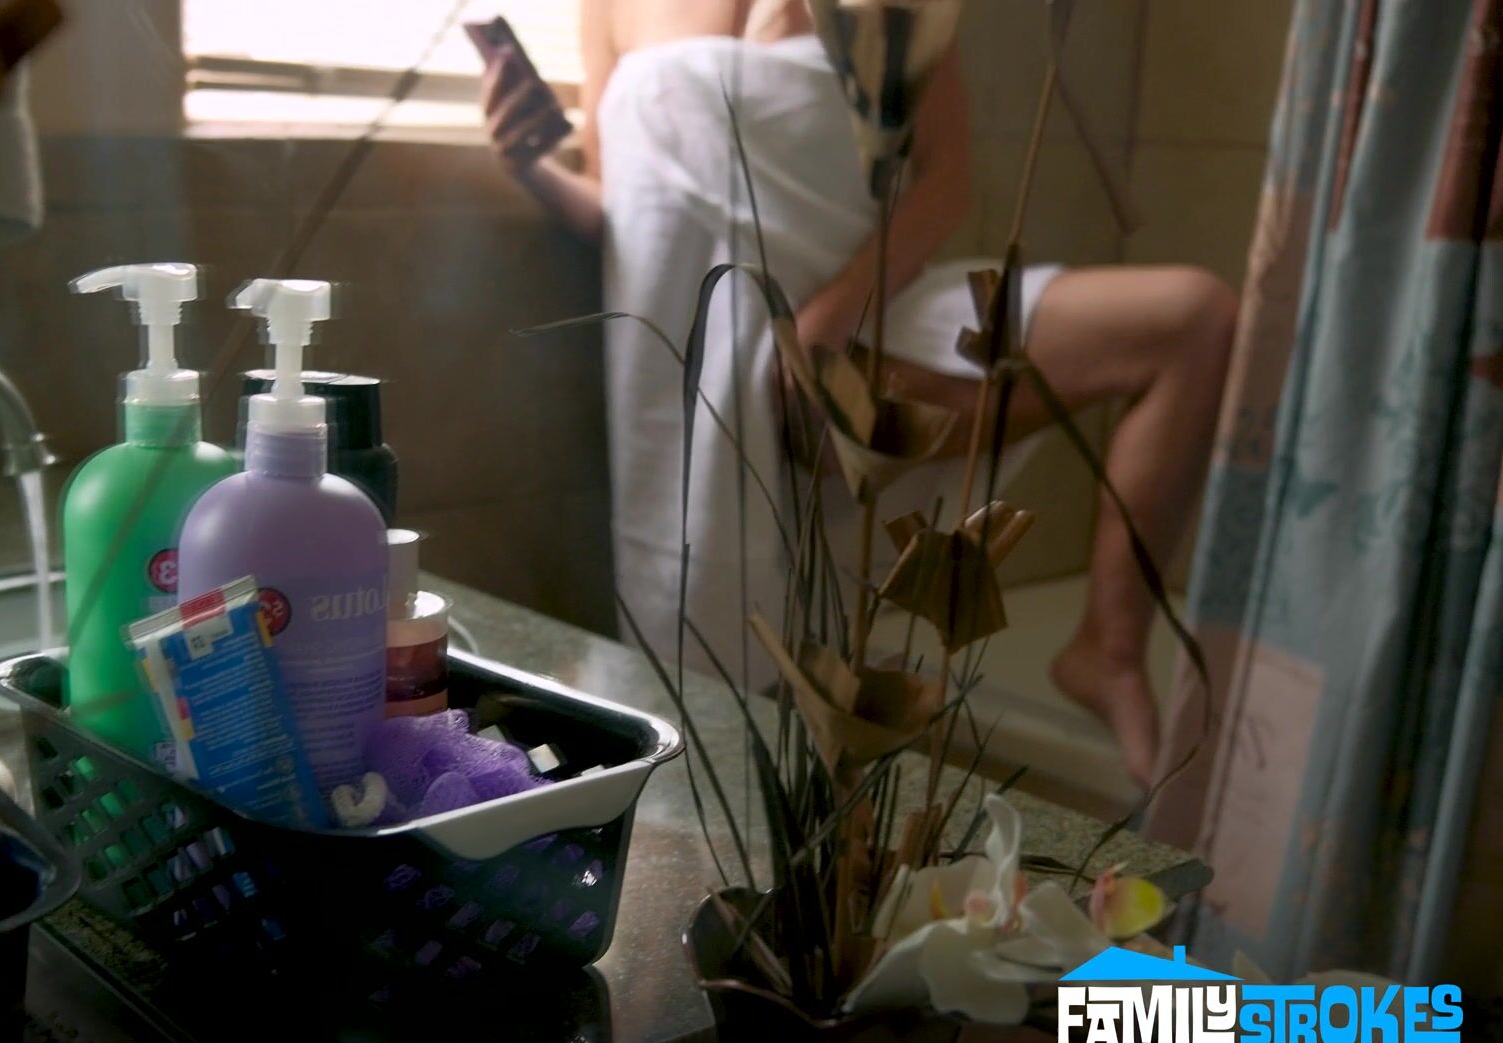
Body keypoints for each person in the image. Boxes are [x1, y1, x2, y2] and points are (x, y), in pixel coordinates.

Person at [479, 0, 1235, 787]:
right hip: (721, 363)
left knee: (1194, 317)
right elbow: (625, 207)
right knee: (726, 714)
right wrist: (528, 164)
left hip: (869, 315)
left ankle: (1109, 649)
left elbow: (945, 179)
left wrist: (829, 321)